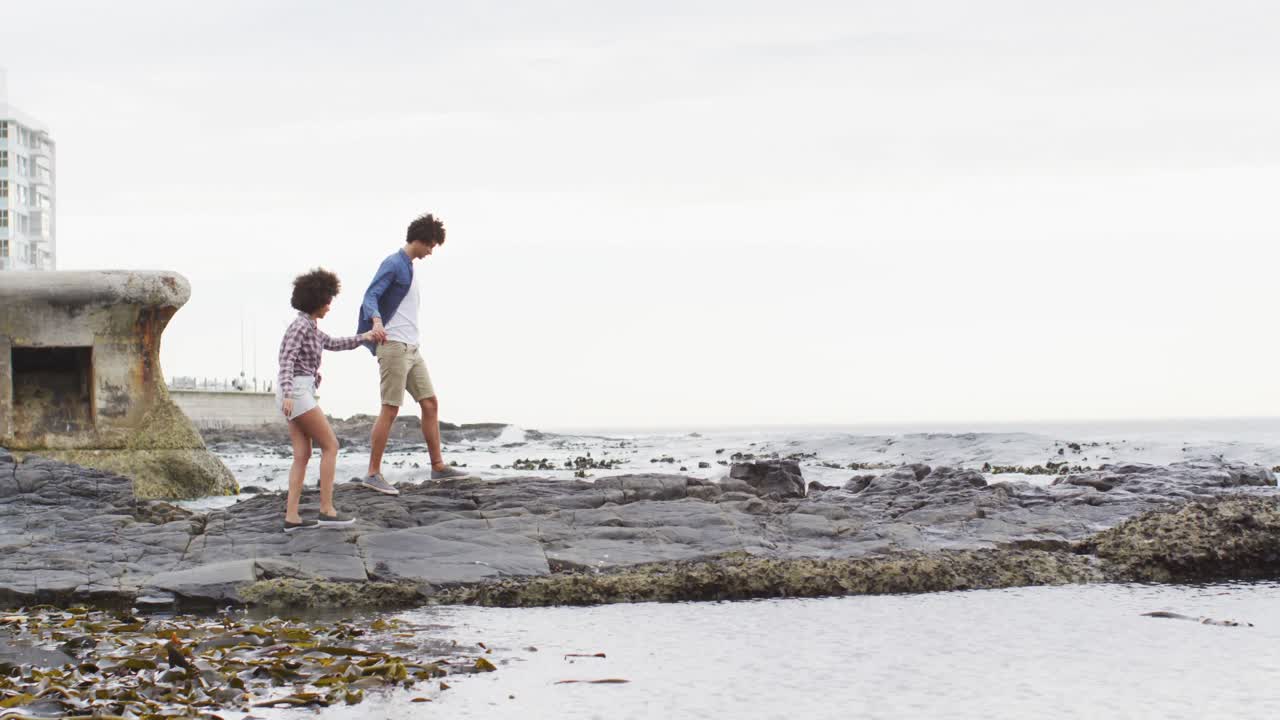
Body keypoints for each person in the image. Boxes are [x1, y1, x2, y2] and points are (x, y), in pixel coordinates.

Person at [355, 213, 470, 496]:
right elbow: (370, 296)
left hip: (412, 348)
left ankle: (438, 467)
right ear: (420, 240)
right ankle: (372, 473)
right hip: (393, 346)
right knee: (391, 407)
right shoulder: (394, 263)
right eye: (431, 245)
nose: (431, 252)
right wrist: (377, 322)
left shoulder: (410, 267)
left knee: (430, 403)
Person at [276, 268, 386, 532]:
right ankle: (326, 510)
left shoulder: (311, 326)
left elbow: (334, 343)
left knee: (302, 454)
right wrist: (289, 394)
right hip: (297, 392)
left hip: (299, 392)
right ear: (317, 300)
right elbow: (286, 360)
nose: (329, 306)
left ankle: (292, 518)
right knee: (331, 445)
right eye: (327, 301)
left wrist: (364, 337)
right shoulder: (300, 326)